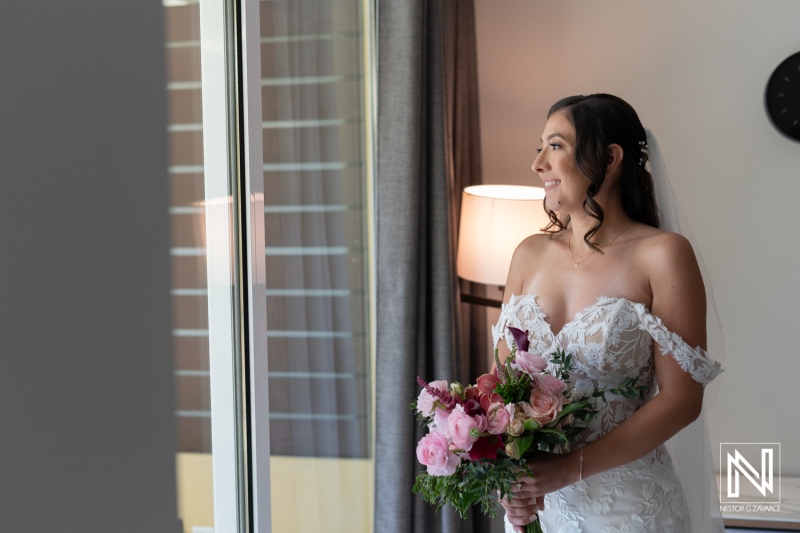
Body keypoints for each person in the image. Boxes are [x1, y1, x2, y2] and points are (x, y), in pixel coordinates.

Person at [493, 94, 723, 533]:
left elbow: (682, 400)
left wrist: (568, 469)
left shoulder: (663, 255)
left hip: (630, 509)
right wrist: (511, 483)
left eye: (555, 146)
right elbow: (503, 391)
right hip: (542, 506)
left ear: (610, 158)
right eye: (538, 147)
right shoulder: (528, 254)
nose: (538, 163)